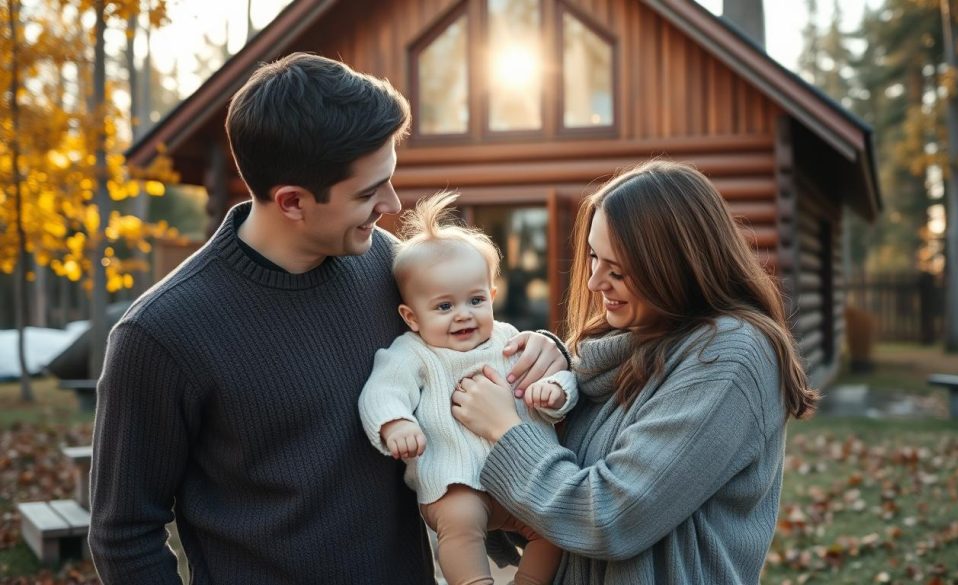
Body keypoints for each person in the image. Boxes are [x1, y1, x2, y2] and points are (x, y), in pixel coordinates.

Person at [88, 52, 568, 584]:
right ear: (292, 201)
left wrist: (545, 349)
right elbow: (125, 535)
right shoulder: (161, 335)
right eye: (368, 192)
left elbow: (467, 347)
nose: (391, 203)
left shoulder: (389, 268)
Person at [451, 160, 820, 584]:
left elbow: (611, 516)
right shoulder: (620, 346)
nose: (593, 283)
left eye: (619, 270)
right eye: (593, 256)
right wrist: (549, 372)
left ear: (675, 267)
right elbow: (548, 508)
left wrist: (508, 428)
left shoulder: (728, 357)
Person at [358, 192, 576, 585]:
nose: (463, 315)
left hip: (519, 478)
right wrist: (395, 424)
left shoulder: (510, 341)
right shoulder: (413, 353)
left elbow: (557, 376)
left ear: (492, 297)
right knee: (459, 524)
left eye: (475, 300)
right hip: (453, 479)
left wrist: (556, 392)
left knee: (555, 524)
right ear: (411, 317)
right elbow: (382, 391)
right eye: (443, 307)